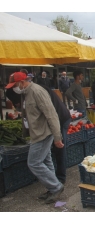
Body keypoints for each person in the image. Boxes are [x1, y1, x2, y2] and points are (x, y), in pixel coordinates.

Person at [5, 72, 64, 204]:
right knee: (46, 161)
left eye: (14, 85)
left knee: (34, 162)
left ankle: (56, 186)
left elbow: (51, 114)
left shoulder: (37, 91)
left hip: (43, 133)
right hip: (36, 132)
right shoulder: (25, 92)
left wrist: (57, 137)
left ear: (22, 82)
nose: (14, 88)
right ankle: (52, 188)